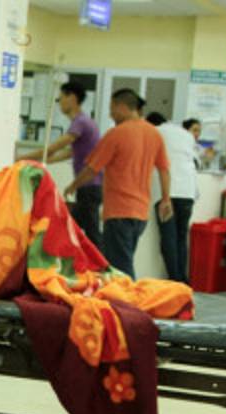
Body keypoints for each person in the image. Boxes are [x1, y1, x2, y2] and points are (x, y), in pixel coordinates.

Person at [64, 88, 170, 279]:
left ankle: (131, 297)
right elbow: (164, 169)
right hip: (140, 214)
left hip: (119, 212)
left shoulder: (117, 133)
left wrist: (73, 186)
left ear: (122, 107)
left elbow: (92, 169)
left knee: (121, 270)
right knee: (119, 262)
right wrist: (166, 199)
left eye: (112, 108)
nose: (110, 114)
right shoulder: (154, 134)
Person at [22, 82, 103, 249]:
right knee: (71, 228)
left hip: (89, 186)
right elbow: (70, 153)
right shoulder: (84, 122)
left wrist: (21, 158)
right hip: (89, 187)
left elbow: (54, 147)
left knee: (87, 233)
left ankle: (101, 264)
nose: (59, 104)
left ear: (72, 98)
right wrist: (43, 161)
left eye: (61, 98)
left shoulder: (80, 122)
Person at [146, 112, 198, 283]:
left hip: (167, 192)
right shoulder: (185, 134)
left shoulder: (154, 132)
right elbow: (196, 160)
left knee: (168, 238)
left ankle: (175, 280)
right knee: (181, 238)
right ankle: (183, 280)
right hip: (187, 192)